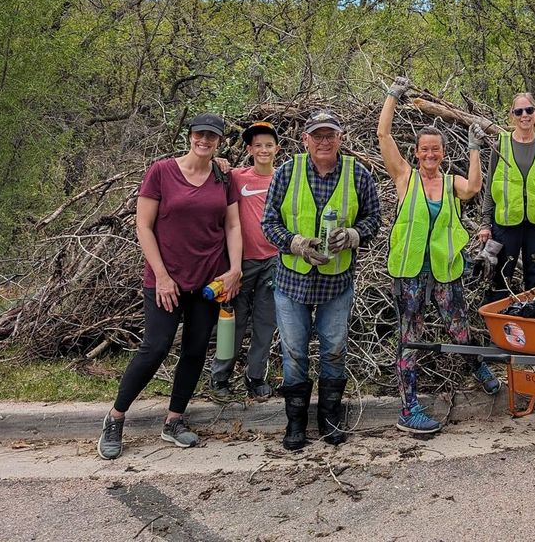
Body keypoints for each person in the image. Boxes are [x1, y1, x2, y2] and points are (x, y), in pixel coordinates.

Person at [98, 113, 243, 460]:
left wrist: (235, 269)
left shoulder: (224, 177)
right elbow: (143, 226)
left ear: (219, 142)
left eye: (211, 137)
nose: (204, 141)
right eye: (199, 135)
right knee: (155, 346)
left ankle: (174, 420)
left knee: (194, 350)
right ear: (189, 136)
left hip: (209, 280)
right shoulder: (161, 172)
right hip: (166, 279)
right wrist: (161, 275)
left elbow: (233, 226)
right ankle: (115, 417)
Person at [377, 77, 502, 435]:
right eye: (424, 149)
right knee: (410, 336)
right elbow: (384, 137)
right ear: (416, 152)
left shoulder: (450, 183)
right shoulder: (404, 177)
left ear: (443, 153)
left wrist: (475, 148)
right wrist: (392, 96)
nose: (430, 154)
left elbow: (475, 187)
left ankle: (476, 366)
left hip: (446, 271)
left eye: (436, 149)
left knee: (458, 328)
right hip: (410, 272)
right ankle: (408, 409)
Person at [261, 111, 381, 449]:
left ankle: (330, 420)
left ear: (341, 138)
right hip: (292, 282)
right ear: (306, 140)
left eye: (330, 135)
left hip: (336, 282)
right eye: (317, 136)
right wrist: (295, 243)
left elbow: (375, 218)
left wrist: (356, 235)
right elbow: (268, 223)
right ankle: (295, 424)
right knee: (294, 353)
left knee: (334, 351)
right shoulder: (287, 171)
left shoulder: (358, 174)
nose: (324, 141)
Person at [209, 121, 281, 401]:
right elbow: (209, 170)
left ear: (277, 148)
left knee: (265, 322)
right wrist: (217, 160)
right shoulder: (237, 177)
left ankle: (255, 376)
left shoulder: (283, 178)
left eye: (268, 145)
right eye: (257, 145)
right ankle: (221, 377)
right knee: (233, 322)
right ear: (249, 149)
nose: (263, 150)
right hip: (241, 263)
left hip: (274, 261)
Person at [478, 92, 535, 299]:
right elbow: (490, 188)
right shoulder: (500, 146)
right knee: (501, 277)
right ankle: (500, 325)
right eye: (519, 111)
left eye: (529, 110)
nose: (525, 115)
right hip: (506, 224)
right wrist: (485, 224)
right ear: (512, 115)